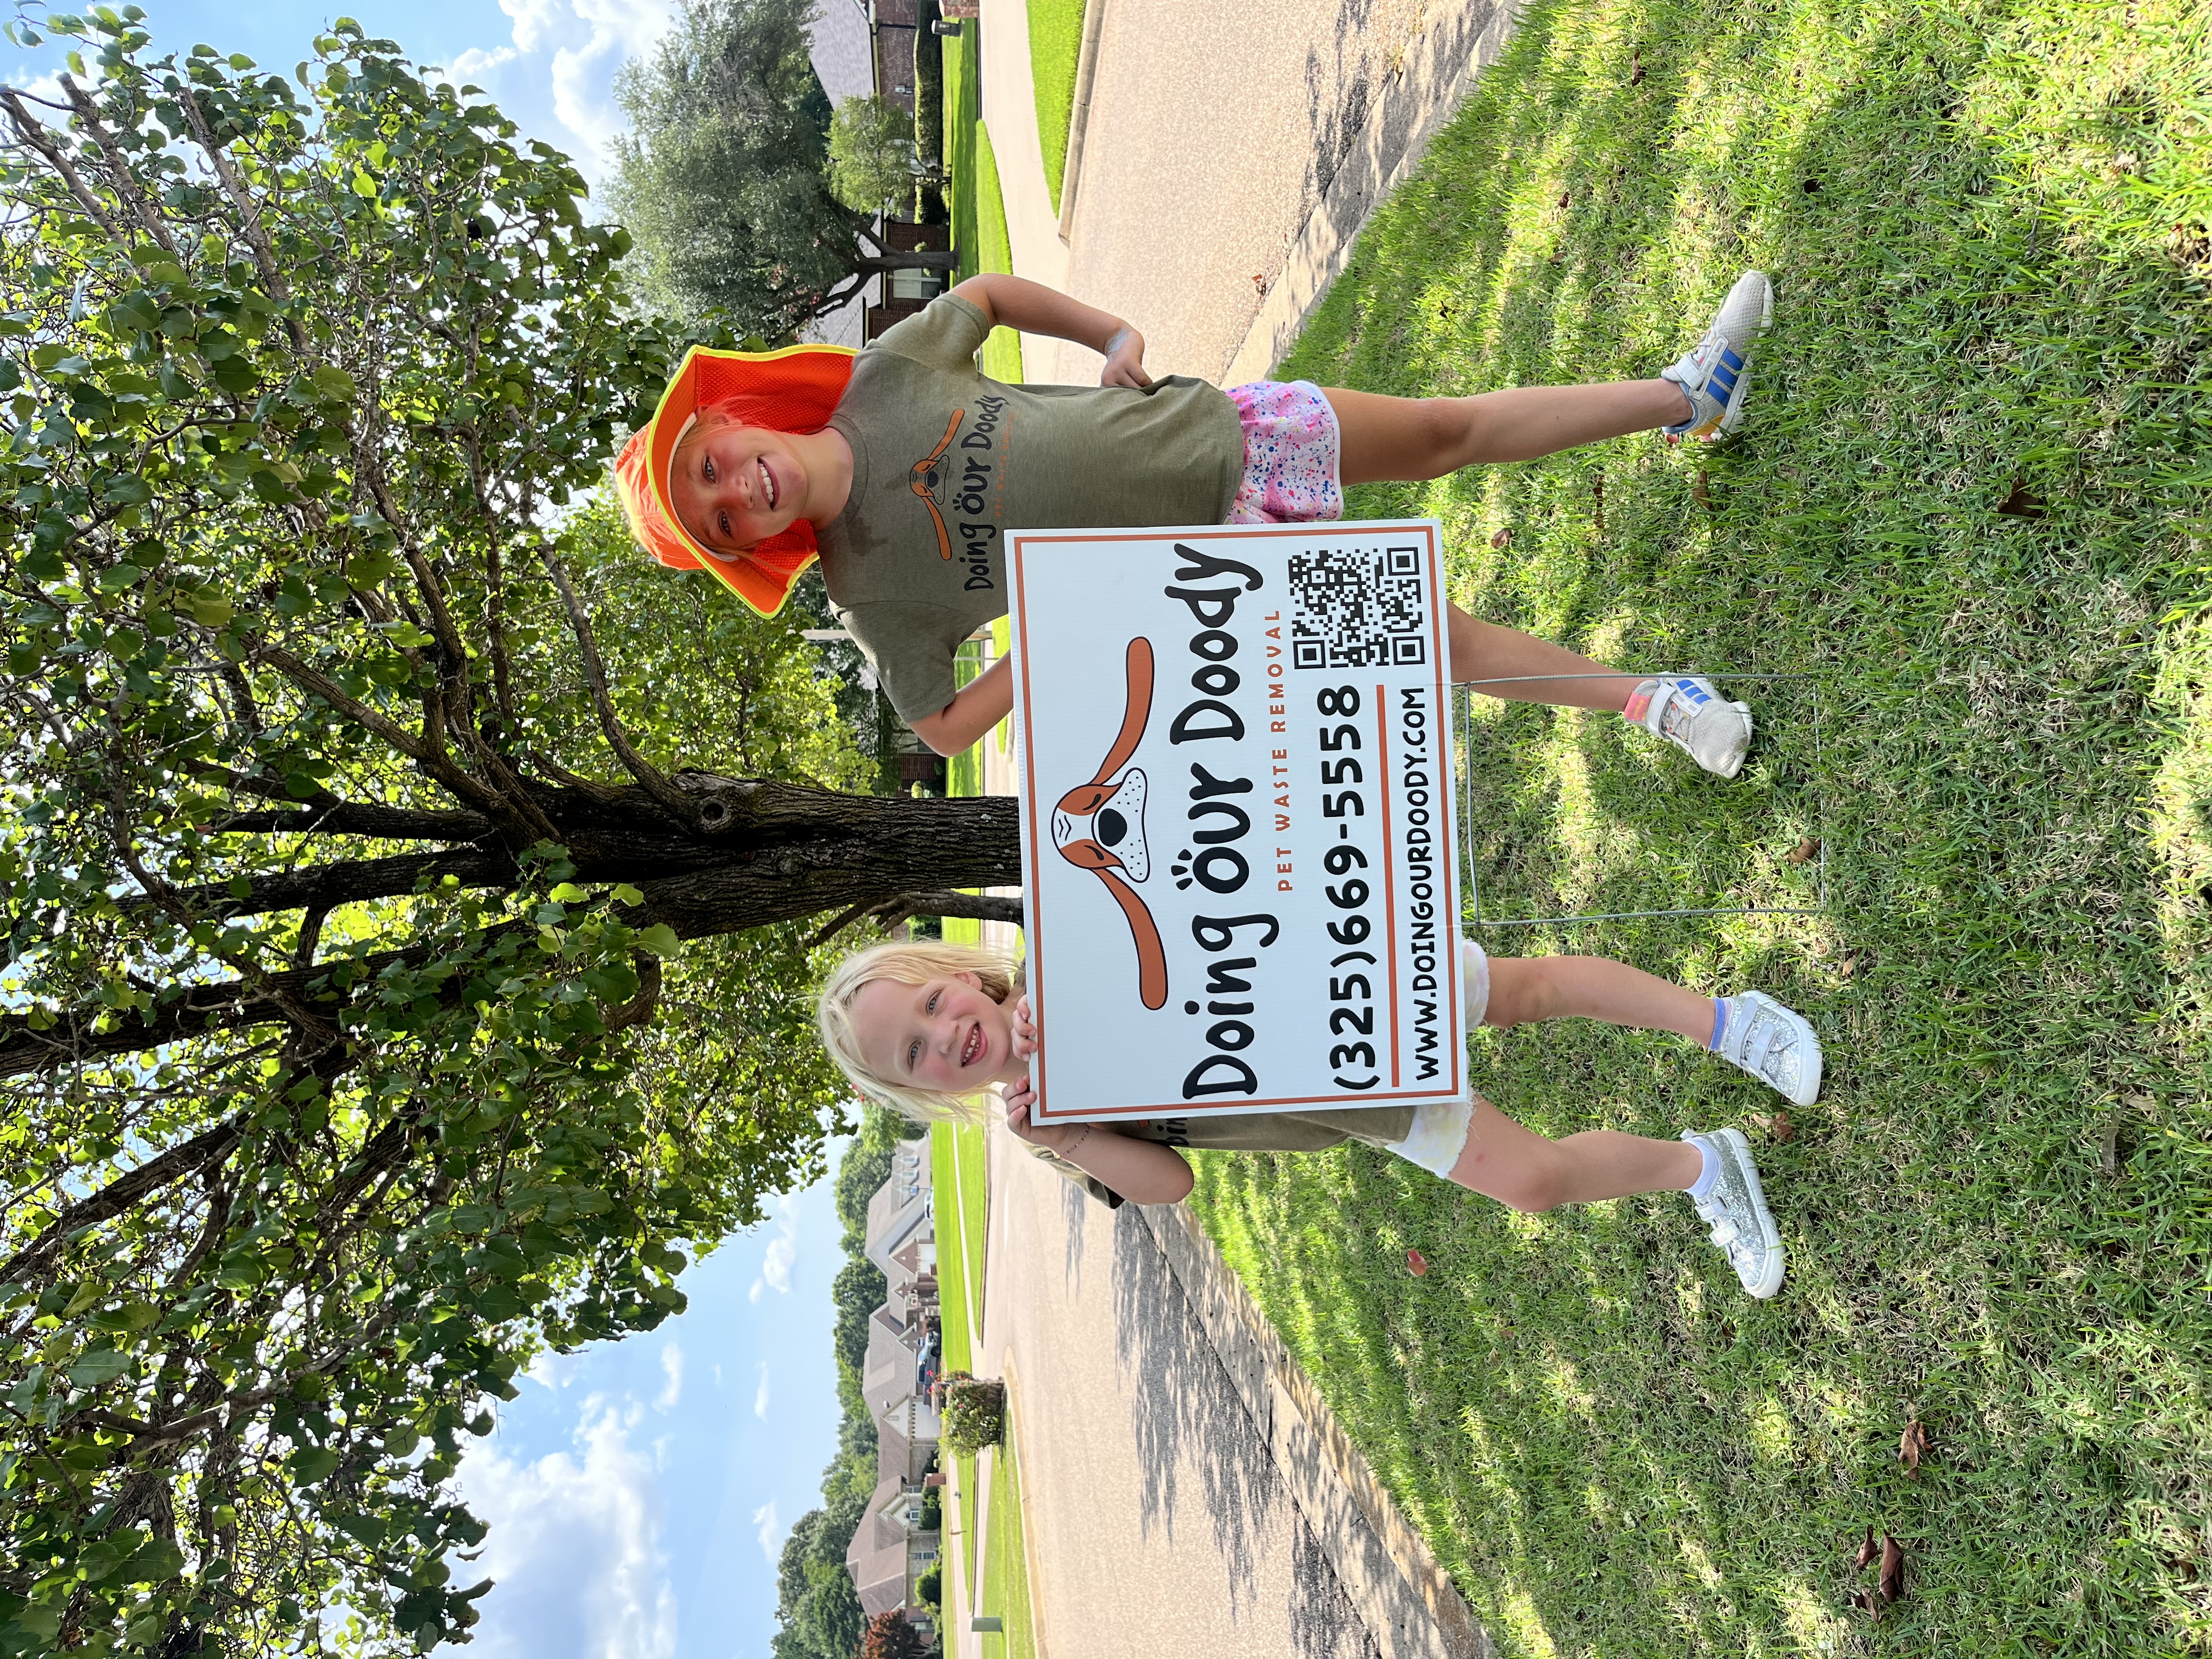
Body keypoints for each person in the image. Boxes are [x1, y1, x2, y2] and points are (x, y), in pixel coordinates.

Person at [613, 271, 1776, 770]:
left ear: (734, 416)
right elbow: (946, 730)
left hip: (1218, 433)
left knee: (1442, 432)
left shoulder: (884, 379)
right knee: (1436, 640)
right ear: (745, 549)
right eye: (716, 518)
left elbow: (991, 299)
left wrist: (1112, 337)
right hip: (1213, 566)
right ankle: (1659, 705)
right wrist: (1047, 637)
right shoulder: (871, 594)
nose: (735, 489)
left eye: (711, 463)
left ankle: (1686, 397)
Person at [815, 936, 1820, 1300]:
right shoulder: (1049, 1127)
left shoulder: (1067, 951)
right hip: (1358, 1105)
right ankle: (1705, 1168)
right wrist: (1069, 1138)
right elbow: (1172, 1186)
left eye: (933, 1005)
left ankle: (1731, 1025)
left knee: (1530, 991)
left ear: (956, 978)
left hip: (1352, 978)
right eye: (916, 1055)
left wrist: (1084, 988)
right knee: (1534, 1181)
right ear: (930, 1094)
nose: (945, 1036)